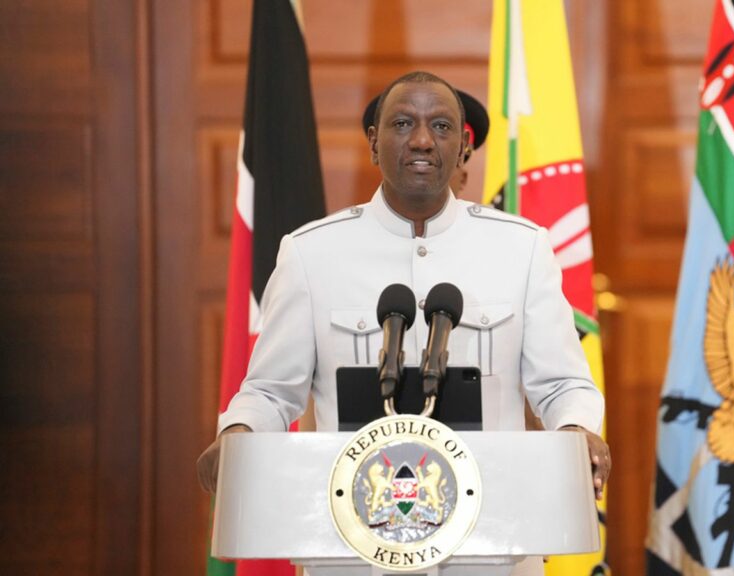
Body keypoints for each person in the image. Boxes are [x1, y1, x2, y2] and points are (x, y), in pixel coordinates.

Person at [197, 72, 610, 573]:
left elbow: (563, 383)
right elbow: (270, 391)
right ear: (374, 142)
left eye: (440, 126)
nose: (420, 140)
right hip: (352, 550)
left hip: (491, 548)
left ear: (463, 149)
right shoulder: (311, 253)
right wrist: (238, 430)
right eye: (401, 123)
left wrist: (577, 429)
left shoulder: (521, 249)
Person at [361, 87, 489, 196]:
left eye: (442, 126)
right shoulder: (347, 225)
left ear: (462, 180)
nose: (422, 142)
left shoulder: (493, 226)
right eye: (402, 124)